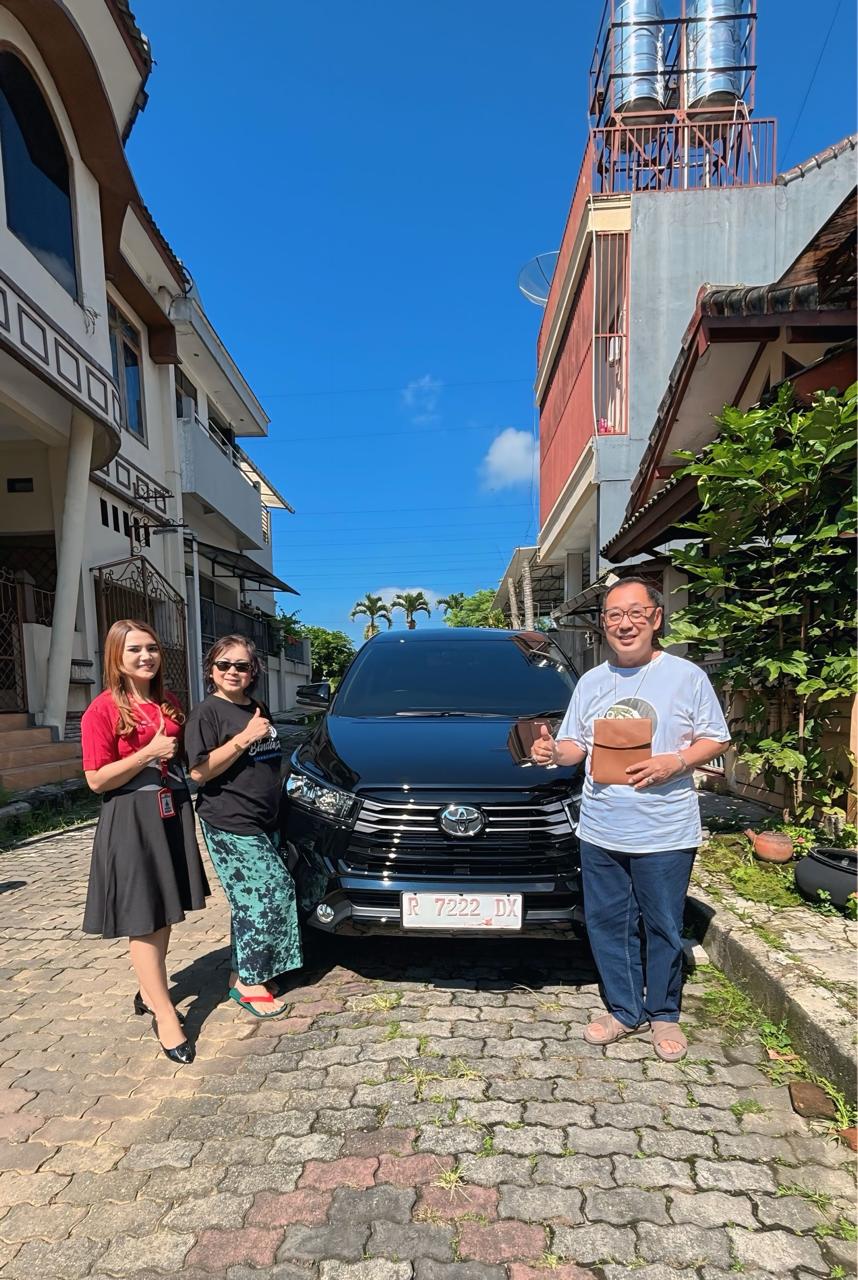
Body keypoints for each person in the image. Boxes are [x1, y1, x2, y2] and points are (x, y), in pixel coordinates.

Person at [532, 578, 729, 1062]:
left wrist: (675, 762)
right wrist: (552, 752)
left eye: (635, 613)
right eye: (614, 615)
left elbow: (716, 738)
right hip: (601, 828)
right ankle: (624, 1009)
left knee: (663, 924)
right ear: (604, 624)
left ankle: (663, 1013)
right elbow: (575, 746)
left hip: (665, 829)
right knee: (607, 924)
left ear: (656, 618)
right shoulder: (592, 682)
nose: (625, 624)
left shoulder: (685, 676)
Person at [82, 619, 208, 1065]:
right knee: (144, 916)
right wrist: (146, 754)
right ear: (116, 656)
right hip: (131, 817)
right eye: (134, 649)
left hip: (170, 810)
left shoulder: (168, 703)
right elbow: (96, 780)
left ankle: (147, 989)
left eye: (152, 648)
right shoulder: (101, 710)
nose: (146, 656)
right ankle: (165, 1014)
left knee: (165, 910)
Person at [184, 635, 302, 1018]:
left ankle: (243, 975)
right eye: (224, 664)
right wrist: (244, 738)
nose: (232, 672)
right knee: (270, 891)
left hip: (265, 819)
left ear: (253, 672)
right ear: (211, 670)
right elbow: (198, 772)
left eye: (242, 665)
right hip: (230, 819)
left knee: (248, 900)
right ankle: (252, 984)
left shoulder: (256, 707)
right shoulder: (206, 713)